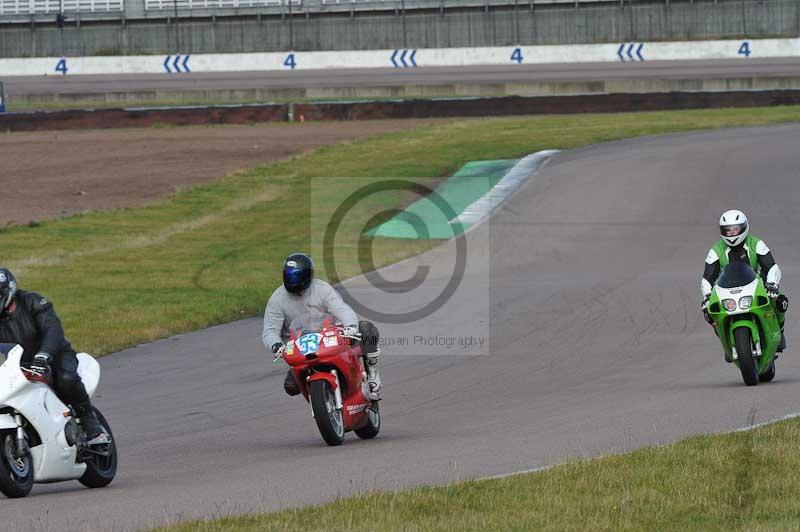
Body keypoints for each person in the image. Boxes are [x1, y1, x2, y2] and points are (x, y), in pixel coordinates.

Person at [0, 268, 109, 444]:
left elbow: (53, 330)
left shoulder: (32, 301)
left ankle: (93, 427)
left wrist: (44, 355)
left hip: (54, 354)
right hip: (17, 365)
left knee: (66, 378)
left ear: (9, 290)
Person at [262, 253, 382, 399]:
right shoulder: (276, 300)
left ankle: (372, 373)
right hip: (301, 348)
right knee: (291, 387)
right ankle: (321, 400)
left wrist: (350, 326)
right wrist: (275, 345)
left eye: (297, 276)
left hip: (329, 338)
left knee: (367, 330)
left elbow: (342, 309)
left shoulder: (322, 289)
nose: (293, 280)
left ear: (308, 275)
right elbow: (270, 330)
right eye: (289, 276)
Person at [701, 210, 787, 351]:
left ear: (744, 227)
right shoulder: (715, 251)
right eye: (727, 230)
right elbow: (707, 279)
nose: (732, 234)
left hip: (757, 286)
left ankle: (780, 332)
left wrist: (772, 284)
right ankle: (726, 341)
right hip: (727, 290)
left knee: (781, 302)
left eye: (735, 229)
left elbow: (772, 267)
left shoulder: (756, 243)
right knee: (708, 313)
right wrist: (707, 296)